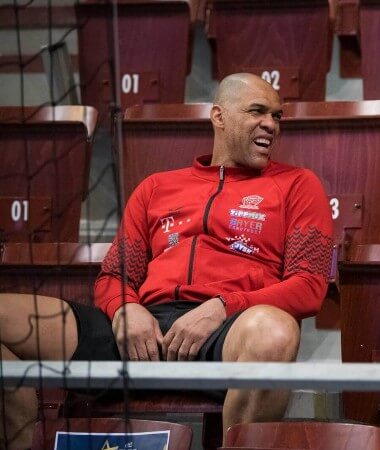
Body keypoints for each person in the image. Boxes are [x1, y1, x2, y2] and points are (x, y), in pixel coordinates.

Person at [0, 73, 333, 450]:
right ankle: (21, 442)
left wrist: (222, 307)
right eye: (257, 111)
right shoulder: (156, 187)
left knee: (275, 332)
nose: (271, 124)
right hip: (141, 331)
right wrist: (125, 309)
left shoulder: (298, 185)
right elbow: (114, 275)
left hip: (229, 331)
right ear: (219, 116)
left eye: (277, 116)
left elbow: (309, 286)